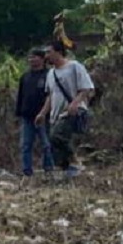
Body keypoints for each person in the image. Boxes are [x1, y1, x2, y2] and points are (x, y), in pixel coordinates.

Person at [35, 41, 94, 178]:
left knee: (57, 136)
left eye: (49, 52)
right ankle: (68, 171)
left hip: (74, 110)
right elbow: (50, 95)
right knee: (56, 143)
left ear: (59, 52)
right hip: (56, 114)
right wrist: (42, 113)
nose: (46, 56)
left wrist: (75, 103)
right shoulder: (51, 73)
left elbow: (86, 88)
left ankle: (75, 161)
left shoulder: (74, 66)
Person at [16, 49, 54, 176]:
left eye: (35, 57)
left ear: (42, 59)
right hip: (27, 116)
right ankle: (27, 171)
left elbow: (51, 95)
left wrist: (44, 113)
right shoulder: (25, 77)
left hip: (44, 116)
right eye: (30, 57)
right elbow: (21, 96)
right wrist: (19, 112)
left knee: (46, 144)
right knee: (26, 145)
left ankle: (48, 169)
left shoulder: (49, 75)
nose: (32, 60)